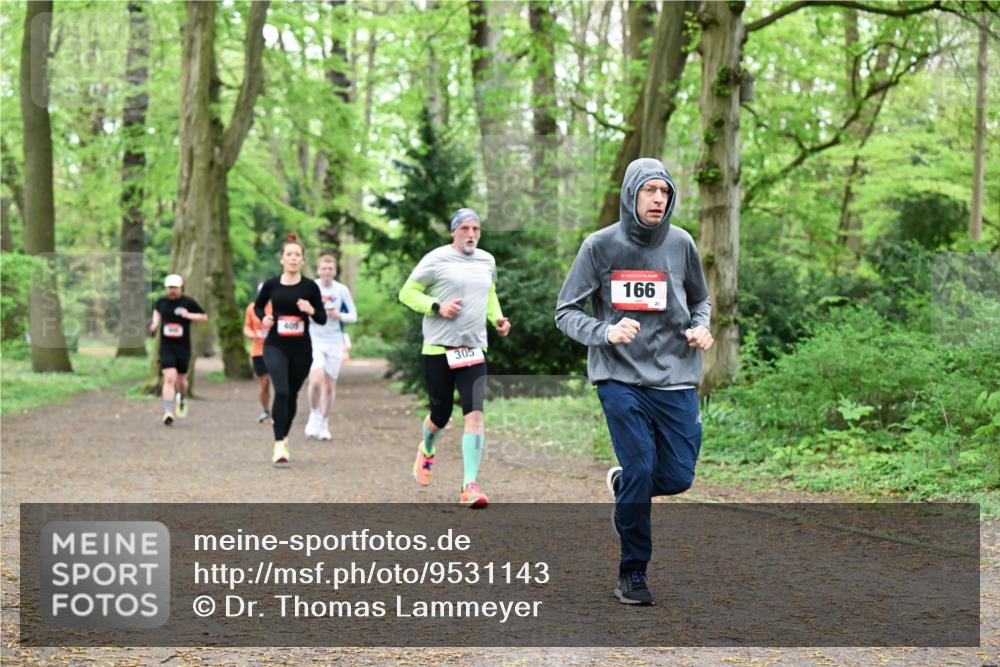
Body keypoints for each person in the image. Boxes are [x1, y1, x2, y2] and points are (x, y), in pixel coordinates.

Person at [555, 158, 713, 606]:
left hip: (676, 377)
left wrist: (701, 327)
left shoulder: (681, 243)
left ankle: (626, 488)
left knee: (678, 476)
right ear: (631, 194)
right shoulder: (599, 245)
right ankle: (633, 572)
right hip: (619, 375)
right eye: (649, 190)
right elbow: (565, 311)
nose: (658, 199)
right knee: (642, 469)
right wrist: (605, 332)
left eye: (665, 191)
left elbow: (700, 300)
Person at [399, 208, 510, 508]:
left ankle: (469, 485)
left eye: (475, 229)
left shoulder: (487, 261)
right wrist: (437, 306)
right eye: (464, 229)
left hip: (473, 349)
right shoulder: (436, 259)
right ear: (453, 232)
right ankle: (427, 448)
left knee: (475, 414)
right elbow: (407, 293)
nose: (471, 234)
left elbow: (489, 293)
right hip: (439, 349)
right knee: (441, 416)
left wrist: (497, 319)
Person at [254, 235, 327, 467]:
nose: (293, 258)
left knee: (292, 394)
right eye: (289, 254)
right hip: (275, 345)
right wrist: (264, 317)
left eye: (297, 255)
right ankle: (278, 444)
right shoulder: (271, 285)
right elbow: (258, 306)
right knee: (282, 391)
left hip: (301, 349)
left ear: (303, 260)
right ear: (282, 259)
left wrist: (310, 309)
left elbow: (322, 318)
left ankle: (284, 436)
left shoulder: (310, 287)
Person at [304, 254, 358, 441]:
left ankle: (324, 422)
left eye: (330, 269)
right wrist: (312, 315)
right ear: (318, 270)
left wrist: (338, 315)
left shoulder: (341, 290)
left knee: (328, 386)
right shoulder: (310, 287)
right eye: (323, 269)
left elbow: (353, 316)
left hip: (334, 341)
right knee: (315, 380)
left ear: (335, 271)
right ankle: (314, 414)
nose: (327, 272)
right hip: (314, 339)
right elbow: (300, 312)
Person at [149, 274, 208, 426]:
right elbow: (157, 311)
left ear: (181, 288)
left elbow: (203, 316)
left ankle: (181, 396)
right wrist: (155, 323)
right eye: (170, 288)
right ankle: (168, 411)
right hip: (166, 347)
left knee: (181, 380)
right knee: (169, 378)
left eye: (175, 288)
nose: (172, 291)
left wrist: (188, 315)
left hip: (183, 347)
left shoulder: (188, 302)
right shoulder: (161, 302)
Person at [243, 283, 272, 424]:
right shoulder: (251, 308)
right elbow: (246, 327)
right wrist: (251, 334)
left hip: (275, 349)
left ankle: (280, 410)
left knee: (280, 382)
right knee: (264, 383)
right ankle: (266, 411)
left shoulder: (277, 307)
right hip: (258, 351)